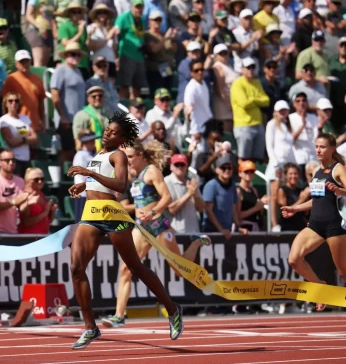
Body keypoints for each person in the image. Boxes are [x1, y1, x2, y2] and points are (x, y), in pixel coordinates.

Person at [65, 111, 183, 349]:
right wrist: (83, 185)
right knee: (76, 267)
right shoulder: (99, 154)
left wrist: (88, 173)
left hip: (111, 214)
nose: (108, 132)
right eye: (108, 129)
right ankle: (90, 327)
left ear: (122, 139)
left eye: (114, 132)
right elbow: (100, 182)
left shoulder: (118, 155)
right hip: (91, 212)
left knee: (134, 267)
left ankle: (172, 309)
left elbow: (120, 185)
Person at [102, 141, 209, 329]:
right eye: (125, 157)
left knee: (179, 270)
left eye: (130, 157)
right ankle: (119, 316)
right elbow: (131, 201)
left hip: (158, 225)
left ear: (141, 156)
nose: (127, 161)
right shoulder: (134, 175)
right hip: (141, 229)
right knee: (126, 269)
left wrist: (152, 212)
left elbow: (166, 197)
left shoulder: (151, 171)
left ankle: (196, 243)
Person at [281, 132, 346, 335]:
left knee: (344, 272)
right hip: (314, 225)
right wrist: (296, 208)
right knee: (294, 259)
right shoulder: (317, 172)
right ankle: (319, 289)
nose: (318, 150)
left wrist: (339, 190)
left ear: (332, 149)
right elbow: (317, 200)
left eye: (322, 147)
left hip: (333, 226)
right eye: (317, 147)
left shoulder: (339, 169)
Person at [231, 56, 269, 162]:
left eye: (253, 67)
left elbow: (266, 101)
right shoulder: (237, 84)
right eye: (248, 67)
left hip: (258, 123)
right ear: (242, 69)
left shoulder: (256, 83)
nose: (251, 70)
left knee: (257, 158)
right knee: (243, 158)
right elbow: (244, 104)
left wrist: (252, 99)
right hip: (243, 125)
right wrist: (257, 101)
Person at [0, 150, 27, 234]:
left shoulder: (20, 181)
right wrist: (13, 202)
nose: (11, 163)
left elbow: (22, 206)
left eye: (13, 160)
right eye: (7, 160)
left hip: (13, 230)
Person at [2, 50, 46, 132]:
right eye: (22, 62)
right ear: (16, 64)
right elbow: (4, 102)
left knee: (34, 143)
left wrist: (43, 121)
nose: (25, 64)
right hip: (18, 123)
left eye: (26, 61)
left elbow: (41, 102)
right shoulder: (11, 79)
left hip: (35, 124)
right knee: (23, 142)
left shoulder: (37, 79)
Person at [0, 92, 37, 175]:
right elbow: (11, 142)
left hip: (26, 159)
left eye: (16, 101)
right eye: (10, 101)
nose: (13, 103)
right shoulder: (4, 120)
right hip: (14, 160)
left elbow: (35, 138)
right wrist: (26, 139)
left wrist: (21, 139)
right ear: (5, 104)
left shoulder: (25, 118)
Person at [18, 167, 56, 234]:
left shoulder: (41, 195)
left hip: (42, 237)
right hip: (29, 239)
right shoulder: (25, 196)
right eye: (36, 179)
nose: (40, 181)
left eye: (42, 179)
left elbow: (46, 221)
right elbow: (26, 223)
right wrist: (45, 213)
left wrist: (52, 212)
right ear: (27, 181)